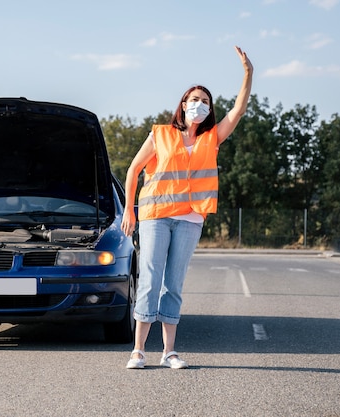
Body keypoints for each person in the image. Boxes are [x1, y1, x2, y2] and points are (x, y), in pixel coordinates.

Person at [121, 46, 253, 369]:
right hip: (156, 217)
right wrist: (129, 209)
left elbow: (237, 110)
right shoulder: (161, 134)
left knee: (174, 284)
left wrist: (248, 73)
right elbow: (133, 170)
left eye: (205, 101)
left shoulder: (212, 138)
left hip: (190, 219)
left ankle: (169, 352)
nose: (199, 105)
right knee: (150, 279)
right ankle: (138, 350)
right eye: (194, 99)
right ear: (183, 105)